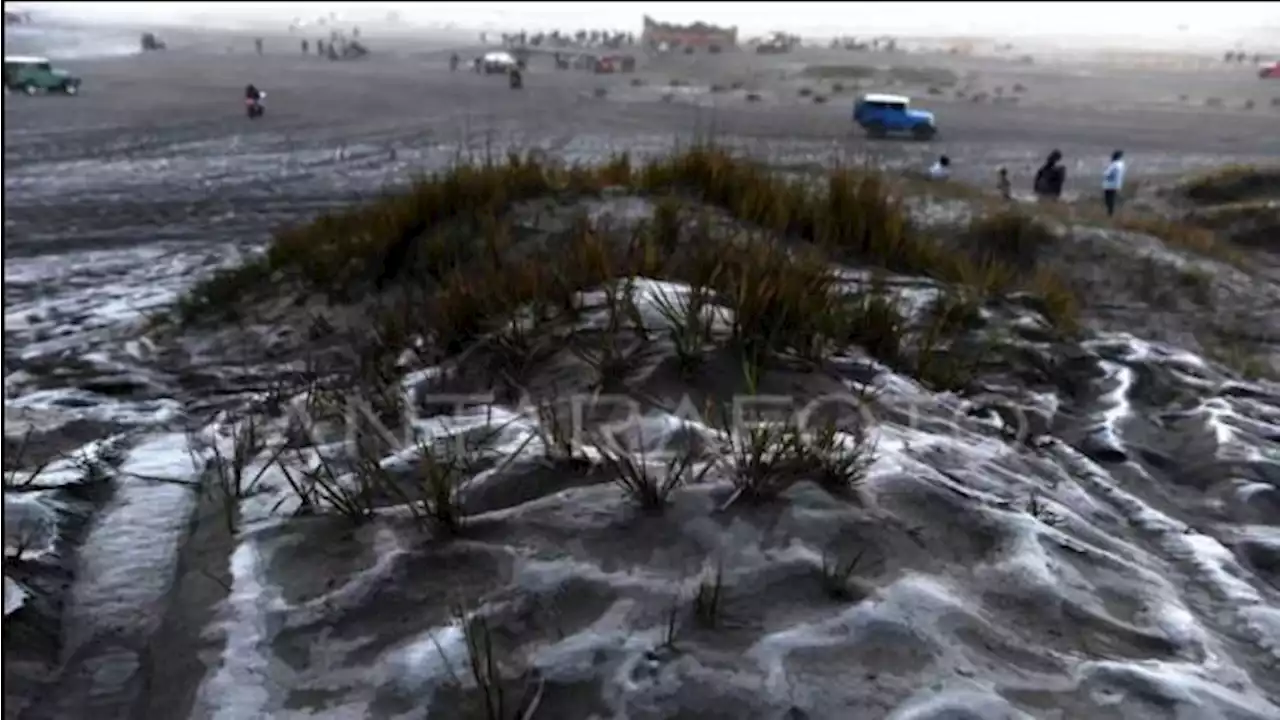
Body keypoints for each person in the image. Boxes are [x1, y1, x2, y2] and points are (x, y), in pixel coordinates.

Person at [1102, 150, 1125, 217]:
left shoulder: (1114, 165)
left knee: (1109, 199)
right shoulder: (1121, 165)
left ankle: (1110, 213)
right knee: (1112, 198)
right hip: (1117, 184)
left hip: (1109, 184)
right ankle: (1112, 212)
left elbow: (1107, 173)